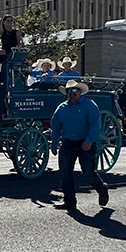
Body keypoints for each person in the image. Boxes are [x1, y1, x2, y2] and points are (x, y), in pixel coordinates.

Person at [49, 79, 109, 210]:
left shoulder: (89, 105)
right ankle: (69, 201)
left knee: (88, 172)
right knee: (65, 173)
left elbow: (95, 125)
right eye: (69, 91)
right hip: (68, 143)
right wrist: (54, 143)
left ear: (80, 92)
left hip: (85, 142)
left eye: (74, 90)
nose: (72, 93)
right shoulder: (62, 108)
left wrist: (89, 140)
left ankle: (102, 188)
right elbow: (55, 126)